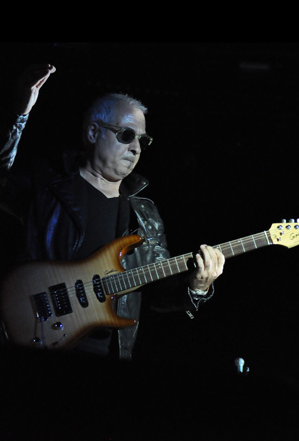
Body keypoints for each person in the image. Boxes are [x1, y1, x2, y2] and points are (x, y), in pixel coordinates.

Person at [0, 64, 225, 359]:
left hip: (105, 354)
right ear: (93, 132)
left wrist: (196, 287)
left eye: (142, 140)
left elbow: (159, 292)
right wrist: (19, 114)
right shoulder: (47, 185)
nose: (136, 148)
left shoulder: (144, 215)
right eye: (126, 135)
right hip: (33, 338)